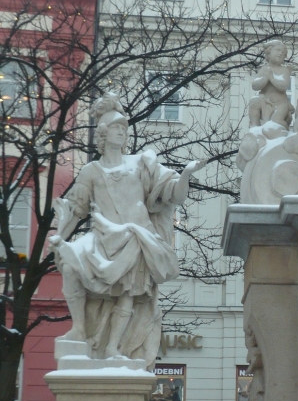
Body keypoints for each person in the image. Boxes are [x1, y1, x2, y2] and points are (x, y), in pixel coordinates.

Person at [50, 92, 207, 368]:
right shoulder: (91, 171)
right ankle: (79, 329)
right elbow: (76, 209)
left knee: (127, 293)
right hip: (102, 238)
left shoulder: (141, 164)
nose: (122, 133)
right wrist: (59, 237)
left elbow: (174, 195)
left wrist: (185, 174)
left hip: (134, 238)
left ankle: (113, 347)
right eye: (116, 128)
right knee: (71, 264)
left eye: (124, 129)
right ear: (103, 133)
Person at [248, 40, 294, 129]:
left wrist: (272, 78)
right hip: (265, 101)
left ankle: (284, 128)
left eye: (283, 52)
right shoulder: (264, 69)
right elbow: (255, 86)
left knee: (276, 123)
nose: (280, 53)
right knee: (254, 102)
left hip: (280, 104)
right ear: (269, 53)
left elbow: (284, 86)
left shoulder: (284, 70)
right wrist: (264, 79)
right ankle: (254, 126)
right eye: (278, 50)